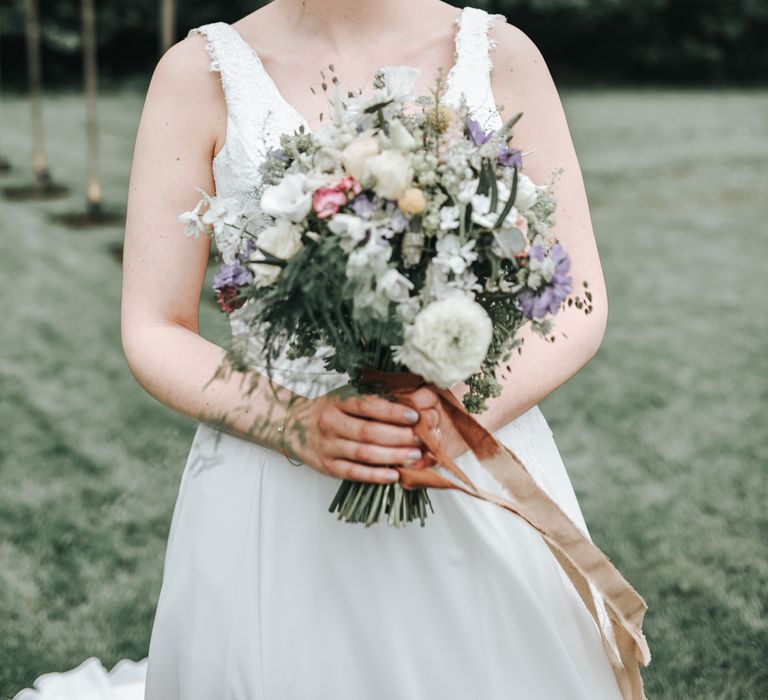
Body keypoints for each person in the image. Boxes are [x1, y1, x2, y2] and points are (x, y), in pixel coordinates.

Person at [118, 1, 624, 698]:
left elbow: (576, 299)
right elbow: (153, 324)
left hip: (470, 473)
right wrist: (290, 419)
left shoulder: (498, 54)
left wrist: (455, 418)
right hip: (272, 500)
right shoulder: (196, 75)